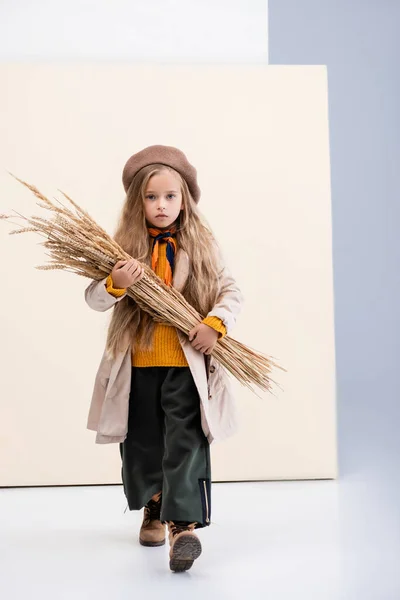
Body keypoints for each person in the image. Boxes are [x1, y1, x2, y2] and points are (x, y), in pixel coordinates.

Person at [84, 144, 243, 572]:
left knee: (185, 443)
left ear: (185, 199)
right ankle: (154, 505)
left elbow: (231, 290)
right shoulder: (121, 247)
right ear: (138, 201)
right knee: (141, 445)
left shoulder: (202, 245)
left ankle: (183, 528)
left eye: (170, 196)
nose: (161, 205)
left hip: (185, 366)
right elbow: (94, 299)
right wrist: (115, 283)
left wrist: (215, 323)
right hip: (136, 367)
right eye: (151, 197)